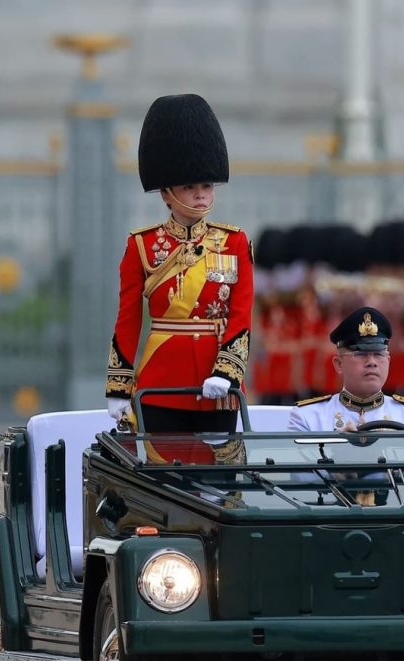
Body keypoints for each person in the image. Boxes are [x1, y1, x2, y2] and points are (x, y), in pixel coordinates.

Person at [105, 94, 254, 434]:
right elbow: (128, 320)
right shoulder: (140, 246)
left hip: (218, 385)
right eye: (189, 187)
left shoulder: (234, 242)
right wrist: (119, 384)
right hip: (160, 380)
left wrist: (227, 371)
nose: (201, 195)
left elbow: (241, 316)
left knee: (219, 483)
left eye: (206, 185)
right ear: (166, 192)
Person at [288, 306, 404, 432]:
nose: (372, 362)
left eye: (379, 354)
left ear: (388, 361)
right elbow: (299, 467)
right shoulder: (308, 418)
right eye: (361, 354)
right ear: (339, 364)